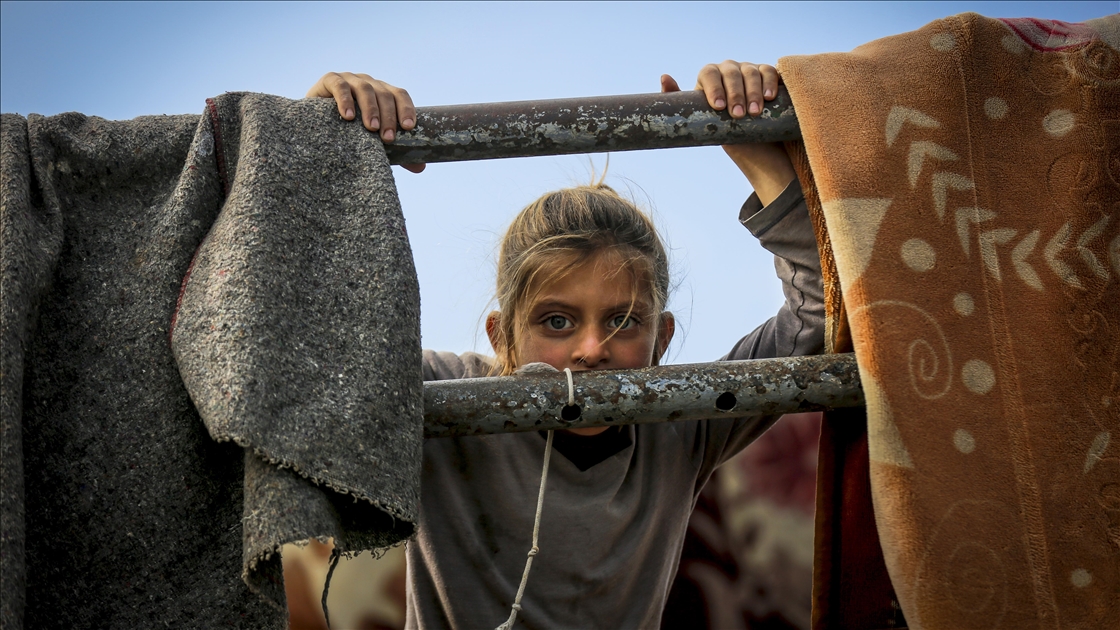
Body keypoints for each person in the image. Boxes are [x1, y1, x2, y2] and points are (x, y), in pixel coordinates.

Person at [305, 61, 824, 629]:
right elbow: (308, 346)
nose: (591, 349)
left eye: (624, 320)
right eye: (556, 322)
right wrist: (322, 139)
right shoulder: (446, 395)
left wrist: (752, 142)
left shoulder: (682, 422)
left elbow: (820, 314)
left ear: (662, 339)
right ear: (501, 336)